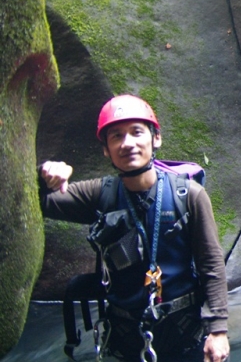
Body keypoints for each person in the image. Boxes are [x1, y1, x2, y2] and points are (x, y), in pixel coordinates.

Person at [39, 94, 230, 362]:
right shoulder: (100, 194)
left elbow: (211, 264)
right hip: (125, 338)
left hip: (185, 335)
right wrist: (45, 172)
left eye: (137, 132)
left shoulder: (189, 196)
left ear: (156, 139)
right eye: (116, 136)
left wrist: (218, 330)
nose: (127, 143)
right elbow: (39, 201)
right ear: (106, 149)